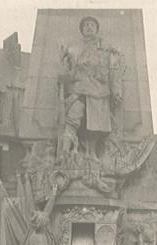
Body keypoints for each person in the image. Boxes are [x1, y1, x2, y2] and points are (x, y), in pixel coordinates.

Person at [59, 16, 124, 156]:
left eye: (92, 25)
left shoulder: (106, 48)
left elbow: (114, 69)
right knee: (73, 115)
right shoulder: (73, 49)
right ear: (82, 29)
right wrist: (63, 61)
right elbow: (67, 71)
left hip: (98, 90)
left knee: (95, 122)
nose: (89, 27)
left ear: (96, 29)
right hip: (79, 88)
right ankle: (64, 151)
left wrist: (116, 90)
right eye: (86, 25)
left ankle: (91, 151)